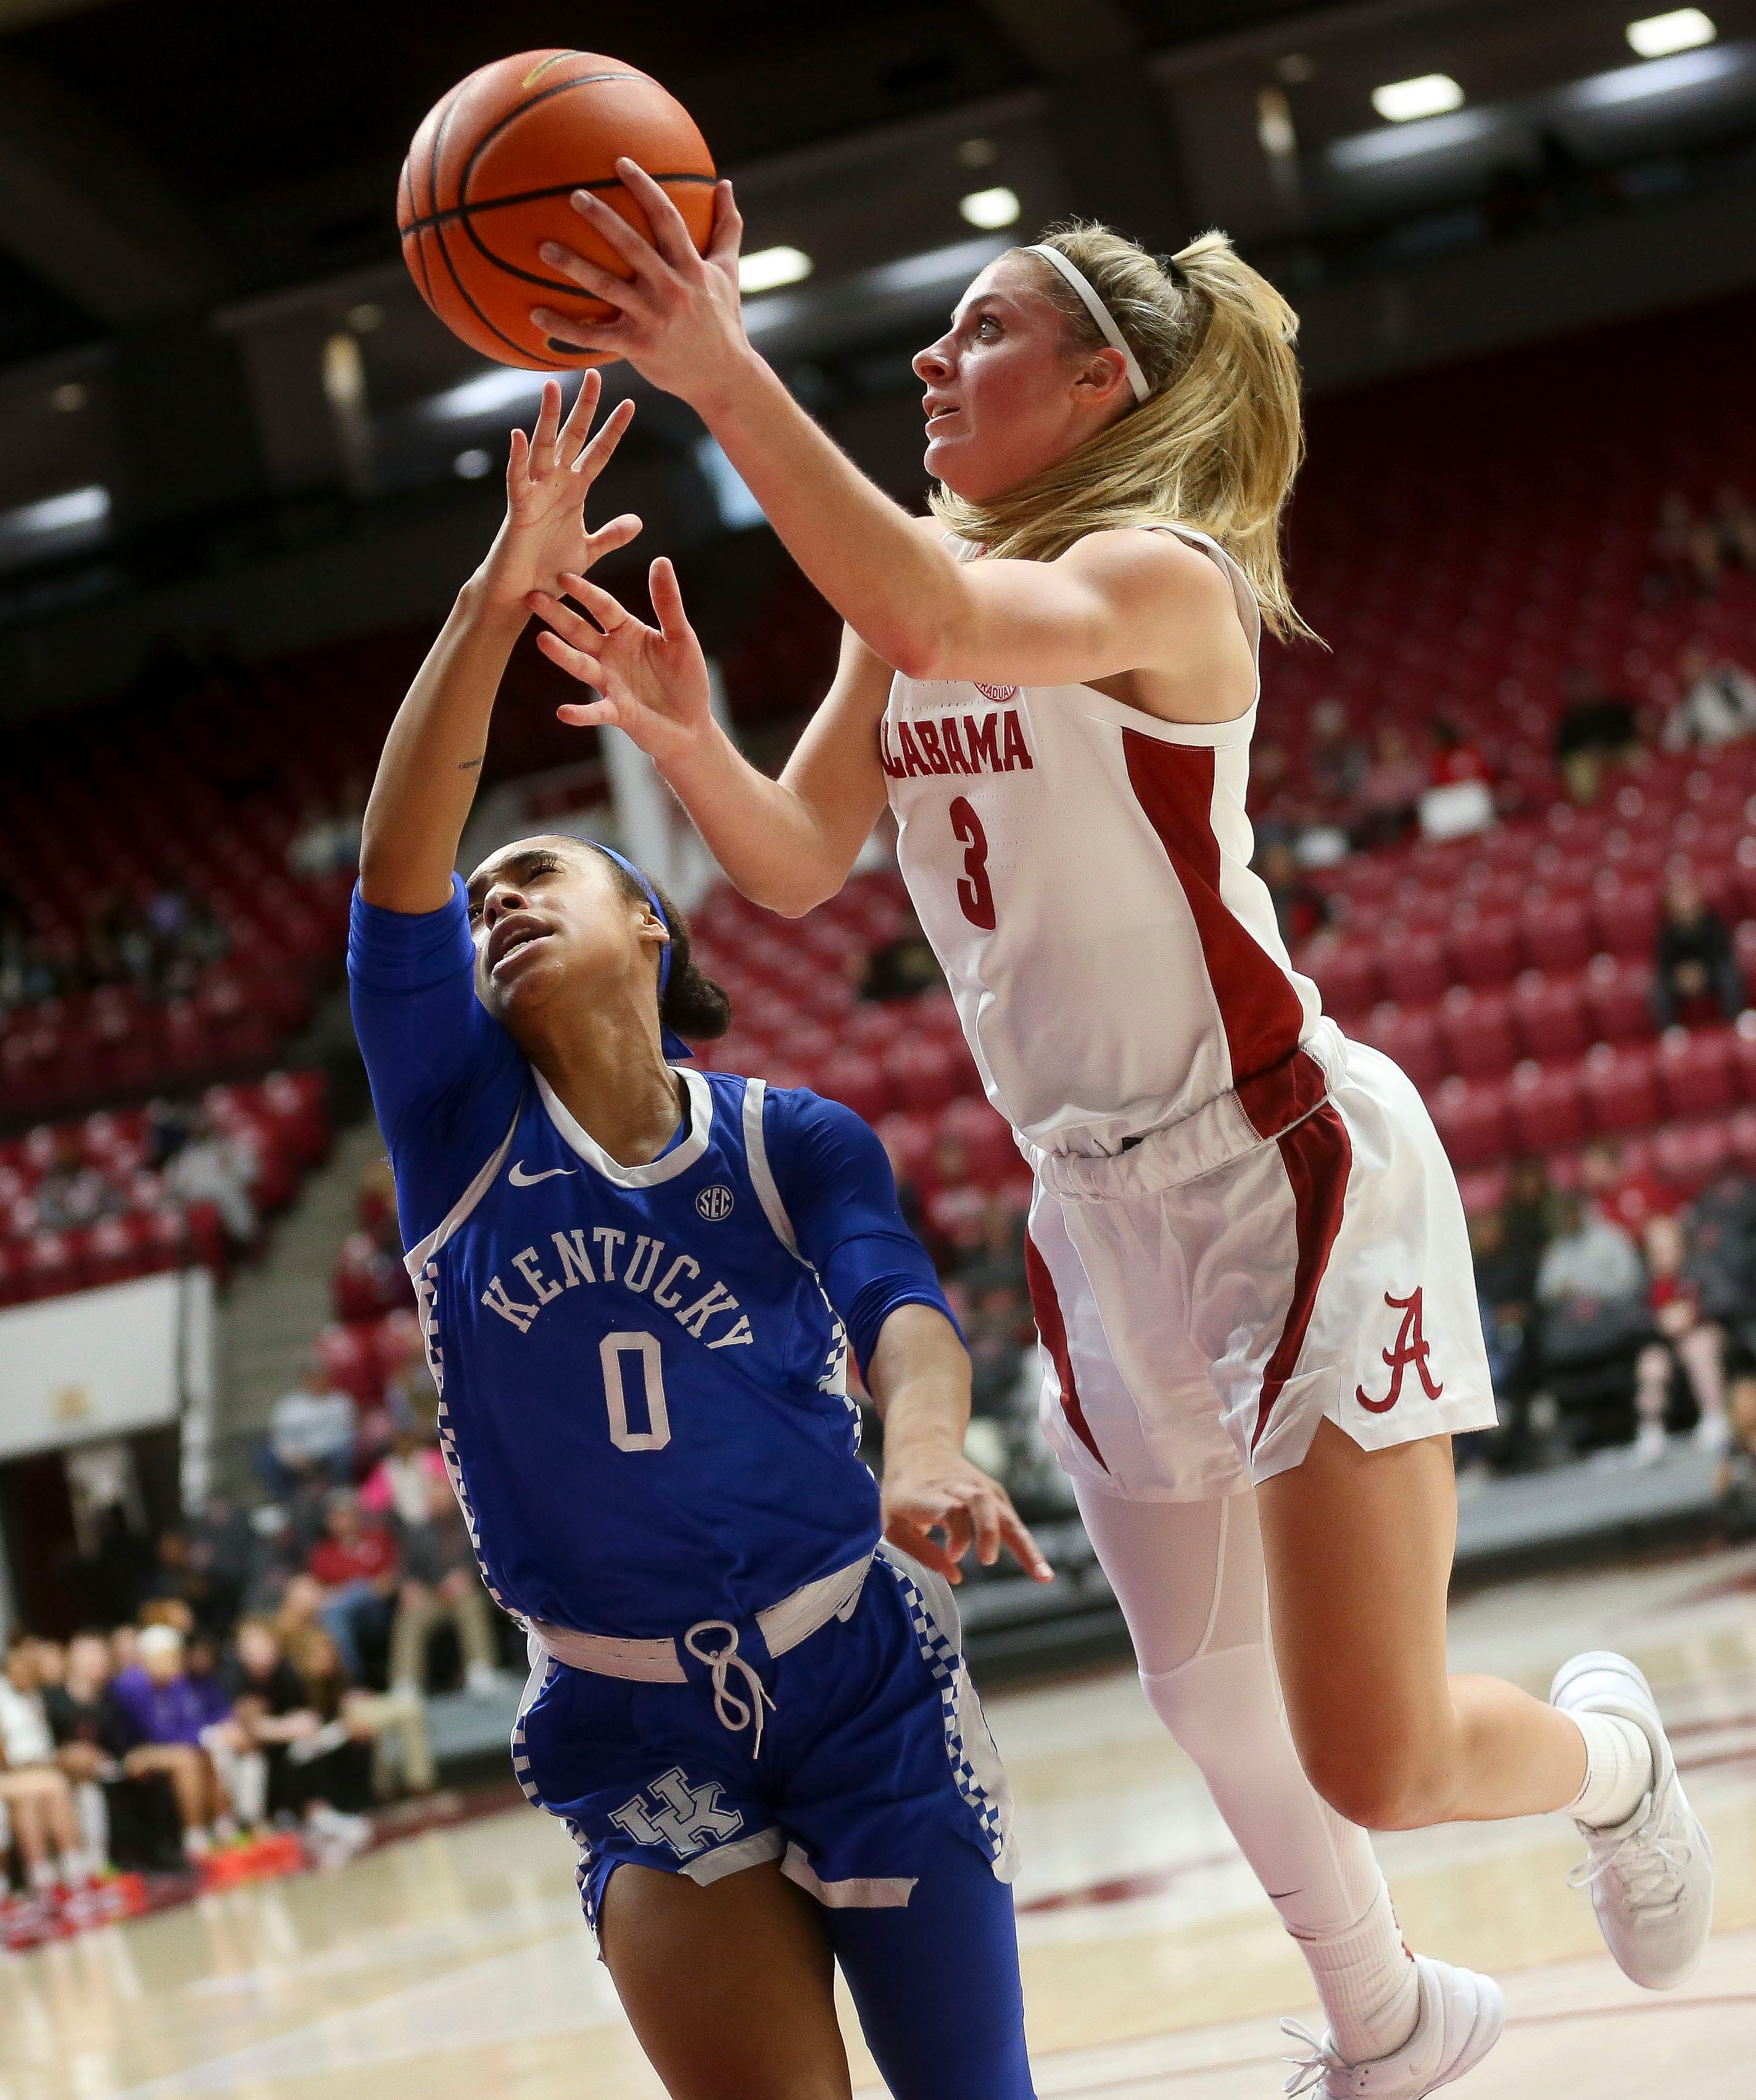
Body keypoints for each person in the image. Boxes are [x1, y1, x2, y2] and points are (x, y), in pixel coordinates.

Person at [523, 176, 1716, 2090]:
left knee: (1376, 1749)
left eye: (979, 329)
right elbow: (800, 857)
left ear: (1099, 383)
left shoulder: (1161, 576)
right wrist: (689, 752)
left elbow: (937, 601)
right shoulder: (905, 601)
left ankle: (1614, 1757)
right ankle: (1390, 2025)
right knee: (1204, 1695)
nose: (930, 356)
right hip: (1094, 1208)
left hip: (1280, 1161)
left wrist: (717, 369)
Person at [348, 366, 1050, 2100]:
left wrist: (932, 1450)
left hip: (856, 1664)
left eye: (544, 876)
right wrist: (491, 601)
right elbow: (396, 873)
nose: (499, 898)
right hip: (628, 1718)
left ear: (649, 925)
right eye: (489, 889)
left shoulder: (786, 1137)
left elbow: (897, 1306)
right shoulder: (457, 1125)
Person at [0, 1640, 88, 1898]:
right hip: (12, 1774)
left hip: (39, 1769)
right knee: (40, 1790)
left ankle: (74, 1873)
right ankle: (42, 1879)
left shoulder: (35, 1696)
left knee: (55, 1785)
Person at [1652, 872, 1745, 1027]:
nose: (1684, 903)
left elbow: (1723, 955)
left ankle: (1736, 1023)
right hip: (1681, 979)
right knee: (1658, 989)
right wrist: (1683, 976)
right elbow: (1664, 964)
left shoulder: (1713, 922)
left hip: (1711, 973)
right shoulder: (1667, 931)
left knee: (1730, 976)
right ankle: (1670, 1034)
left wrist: (1703, 972)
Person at [262, 1355, 358, 1494]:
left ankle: (340, 1494)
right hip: (297, 1457)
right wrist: (293, 1456)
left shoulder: (340, 1402)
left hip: (331, 1454)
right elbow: (281, 1438)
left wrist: (317, 1454)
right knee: (265, 1457)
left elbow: (348, 1435)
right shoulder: (288, 1405)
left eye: (320, 1377)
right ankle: (285, 1500)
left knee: (346, 1455)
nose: (316, 1381)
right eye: (311, 1377)